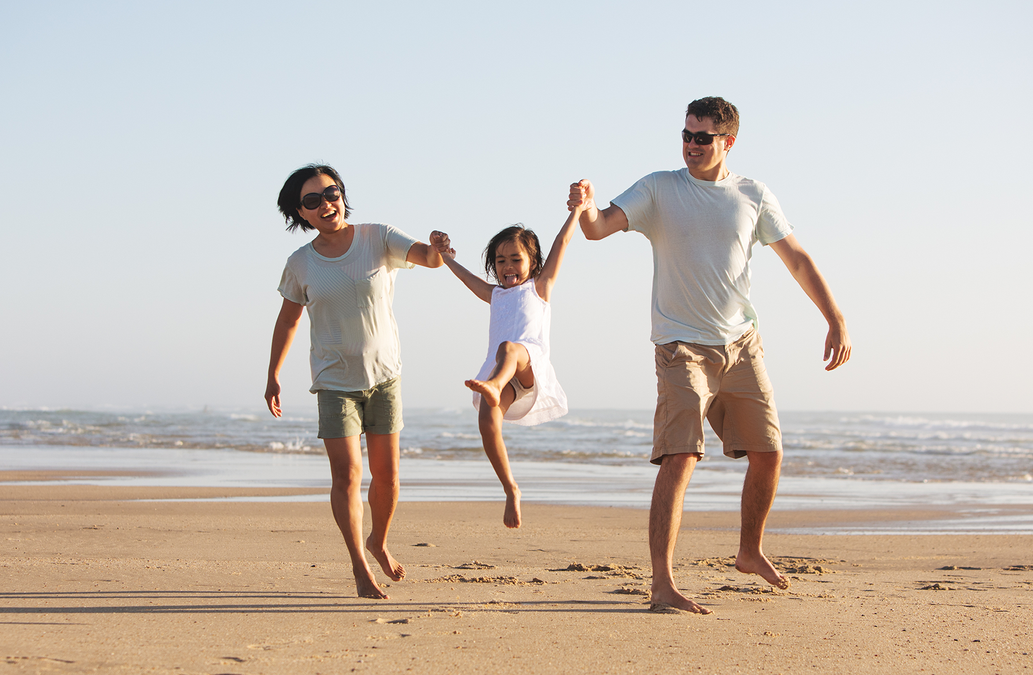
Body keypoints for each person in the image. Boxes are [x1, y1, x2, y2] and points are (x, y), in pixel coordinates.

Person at [568, 97, 852, 614]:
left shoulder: (753, 195)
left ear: (728, 142)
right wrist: (584, 203)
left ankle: (749, 550)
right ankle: (662, 584)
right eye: (686, 134)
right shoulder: (659, 188)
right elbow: (597, 227)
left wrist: (834, 318)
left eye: (703, 137)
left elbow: (797, 259)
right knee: (680, 456)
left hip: (741, 345)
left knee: (769, 452)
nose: (691, 145)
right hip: (681, 347)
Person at [265, 164, 449, 600]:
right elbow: (288, 320)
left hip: (385, 376)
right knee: (348, 476)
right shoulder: (300, 263)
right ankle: (359, 566)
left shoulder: (377, 237)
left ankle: (378, 540)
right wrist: (273, 373)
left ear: (342, 195)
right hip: (333, 382)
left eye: (332, 193)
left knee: (387, 478)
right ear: (301, 212)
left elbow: (428, 258)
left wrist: (438, 247)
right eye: (313, 200)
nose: (326, 203)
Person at [438, 209, 579, 528]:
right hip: (507, 378)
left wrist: (577, 211)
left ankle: (492, 386)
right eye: (500, 261)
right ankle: (511, 489)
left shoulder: (540, 288)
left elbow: (563, 241)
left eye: (515, 259)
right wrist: (445, 256)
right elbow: (465, 278)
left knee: (509, 348)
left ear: (532, 263)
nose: (507, 267)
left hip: (528, 365)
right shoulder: (496, 295)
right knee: (487, 422)